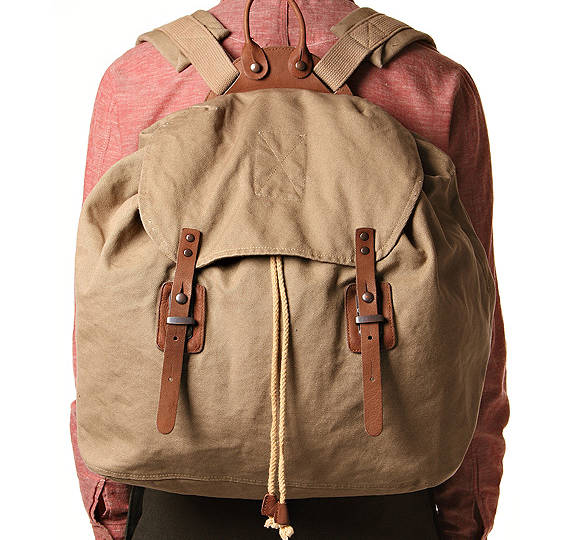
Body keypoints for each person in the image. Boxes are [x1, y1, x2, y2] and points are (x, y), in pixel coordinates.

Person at [72, 0, 508, 538]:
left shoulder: (138, 79)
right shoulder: (434, 83)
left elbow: (99, 317)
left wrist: (112, 511)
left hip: (172, 492)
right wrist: (466, 515)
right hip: (391, 495)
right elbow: (478, 328)